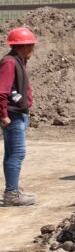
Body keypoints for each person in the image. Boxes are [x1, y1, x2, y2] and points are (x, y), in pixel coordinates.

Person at [0, 27, 37, 206]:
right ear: (23, 47)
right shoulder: (9, 63)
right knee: (17, 154)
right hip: (13, 116)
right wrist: (4, 115)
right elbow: (1, 92)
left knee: (12, 154)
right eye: (31, 46)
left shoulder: (19, 61)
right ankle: (12, 194)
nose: (33, 49)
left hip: (17, 114)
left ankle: (12, 190)